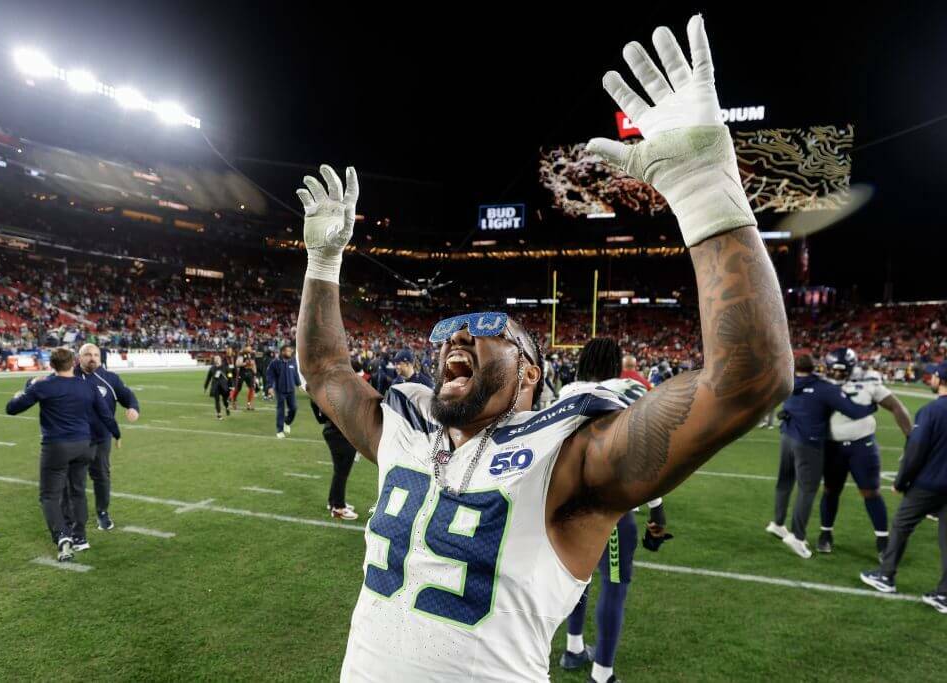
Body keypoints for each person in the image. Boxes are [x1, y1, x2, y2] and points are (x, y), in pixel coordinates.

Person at [296, 17, 794, 680]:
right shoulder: (404, 434)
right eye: (449, 328)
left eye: (485, 325)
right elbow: (324, 368)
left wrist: (707, 192)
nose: (458, 333)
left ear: (531, 374)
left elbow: (747, 381)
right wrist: (322, 262)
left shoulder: (570, 460)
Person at [556, 339, 670, 683]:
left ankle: (573, 649)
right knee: (615, 585)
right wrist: (657, 509)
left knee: (578, 578)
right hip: (610, 511)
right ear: (615, 364)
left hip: (568, 507)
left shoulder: (566, 393)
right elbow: (649, 454)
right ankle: (602, 673)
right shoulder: (626, 391)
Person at [5, 347, 120, 562]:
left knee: (50, 495)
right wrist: (117, 433)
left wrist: (19, 394)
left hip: (57, 446)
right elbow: (105, 413)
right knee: (77, 491)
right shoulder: (87, 386)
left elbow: (12, 408)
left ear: (51, 365)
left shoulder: (44, 385)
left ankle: (63, 537)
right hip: (84, 445)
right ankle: (81, 537)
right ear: (74, 362)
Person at [767, 353, 878, 559]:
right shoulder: (824, 388)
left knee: (785, 482)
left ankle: (778, 523)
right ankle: (797, 537)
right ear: (816, 367)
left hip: (787, 437)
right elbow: (852, 411)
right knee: (807, 490)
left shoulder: (788, 383)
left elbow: (787, 406)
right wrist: (872, 406)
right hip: (808, 443)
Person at [860, 362, 947, 614]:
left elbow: (916, 451)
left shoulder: (931, 411)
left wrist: (901, 481)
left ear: (939, 379)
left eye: (933, 376)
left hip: (929, 484)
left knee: (901, 525)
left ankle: (885, 576)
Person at [818, 348, 911, 558]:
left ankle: (882, 540)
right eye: (834, 370)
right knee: (831, 491)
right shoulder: (821, 384)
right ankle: (825, 534)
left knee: (871, 492)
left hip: (863, 447)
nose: (837, 375)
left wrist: (910, 437)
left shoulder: (868, 382)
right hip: (832, 447)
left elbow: (896, 406)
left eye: (842, 371)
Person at [74, 343, 140, 532]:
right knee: (75, 479)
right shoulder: (69, 376)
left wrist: (133, 407)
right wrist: (29, 386)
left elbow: (128, 396)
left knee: (101, 476)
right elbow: (44, 383)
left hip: (101, 437)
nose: (92, 358)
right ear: (80, 357)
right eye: (88, 354)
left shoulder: (110, 378)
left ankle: (102, 512)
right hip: (74, 438)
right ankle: (75, 517)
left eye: (96, 354)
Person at [310, 395, 359, 520]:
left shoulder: (321, 387)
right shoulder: (335, 386)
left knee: (339, 471)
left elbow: (320, 418)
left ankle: (334, 501)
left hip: (333, 430)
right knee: (342, 471)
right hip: (340, 433)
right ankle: (338, 507)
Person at [267, 344, 301, 439]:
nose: (290, 352)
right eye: (288, 351)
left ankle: (287, 422)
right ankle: (280, 430)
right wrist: (270, 387)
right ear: (283, 352)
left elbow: (295, 373)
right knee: (280, 410)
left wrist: (298, 384)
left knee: (294, 408)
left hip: (291, 390)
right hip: (280, 390)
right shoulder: (275, 362)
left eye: (291, 351)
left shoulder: (293, 361)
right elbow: (270, 375)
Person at [204, 355, 231, 420]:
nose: (216, 360)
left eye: (218, 359)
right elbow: (208, 378)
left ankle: (227, 407)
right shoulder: (212, 368)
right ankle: (219, 415)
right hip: (215, 386)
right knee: (217, 400)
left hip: (224, 386)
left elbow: (230, 375)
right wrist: (205, 387)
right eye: (215, 359)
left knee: (225, 400)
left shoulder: (225, 367)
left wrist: (231, 385)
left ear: (220, 360)